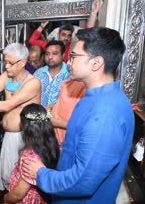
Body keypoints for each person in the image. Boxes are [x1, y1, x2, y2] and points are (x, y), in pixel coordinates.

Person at [22, 27, 135, 203]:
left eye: (74, 56)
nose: (68, 61)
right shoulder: (91, 98)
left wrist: (40, 173)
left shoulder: (106, 113)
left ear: (95, 63)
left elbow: (82, 182)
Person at [0, 43, 41, 198]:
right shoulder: (6, 76)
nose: (6, 66)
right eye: (5, 62)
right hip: (10, 136)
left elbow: (8, 105)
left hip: (26, 136)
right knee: (7, 174)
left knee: (21, 179)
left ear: (23, 62)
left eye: (10, 63)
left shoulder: (32, 83)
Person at [4, 103, 59, 203]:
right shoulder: (54, 143)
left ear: (26, 128)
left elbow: (18, 195)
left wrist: (6, 198)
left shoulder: (30, 158)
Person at [29, 0, 102, 63]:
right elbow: (32, 40)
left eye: (69, 36)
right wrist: (41, 27)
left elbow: (88, 32)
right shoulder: (50, 46)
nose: (66, 38)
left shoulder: (73, 46)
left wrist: (93, 13)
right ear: (58, 35)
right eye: (63, 35)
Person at [46, 79, 86, 145]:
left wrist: (56, 122)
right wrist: (50, 107)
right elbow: (67, 104)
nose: (70, 67)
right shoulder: (67, 82)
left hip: (70, 143)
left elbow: (85, 128)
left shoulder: (92, 89)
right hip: (54, 139)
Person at [33, 40, 70, 106]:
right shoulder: (38, 74)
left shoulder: (70, 74)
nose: (50, 57)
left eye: (55, 53)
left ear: (63, 55)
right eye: (47, 54)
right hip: (39, 114)